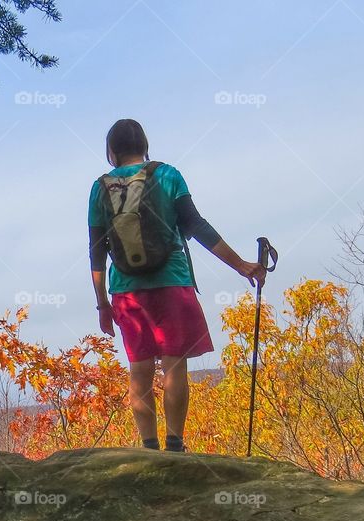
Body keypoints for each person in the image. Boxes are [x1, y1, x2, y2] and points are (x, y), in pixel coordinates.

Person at [88, 119, 266, 452]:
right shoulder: (168, 175)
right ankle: (175, 445)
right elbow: (196, 226)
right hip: (172, 281)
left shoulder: (100, 188)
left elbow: (96, 253)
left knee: (139, 369)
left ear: (111, 151)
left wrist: (102, 305)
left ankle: (149, 447)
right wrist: (241, 264)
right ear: (144, 146)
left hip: (126, 291)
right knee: (174, 365)